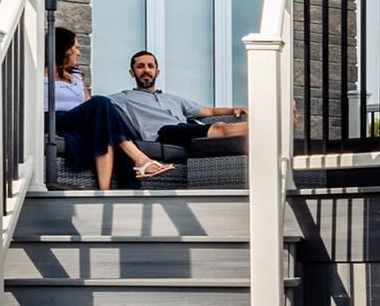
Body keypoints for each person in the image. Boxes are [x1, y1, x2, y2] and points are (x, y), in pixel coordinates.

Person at [47, 29, 173, 187]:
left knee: (104, 126)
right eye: (76, 48)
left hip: (78, 121)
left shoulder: (76, 75)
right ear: (64, 49)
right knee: (101, 102)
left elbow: (87, 102)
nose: (78, 53)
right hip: (54, 120)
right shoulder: (39, 74)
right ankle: (140, 159)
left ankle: (104, 191)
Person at [108, 50, 248, 153]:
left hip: (186, 128)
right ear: (132, 73)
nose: (146, 70)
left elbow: (210, 111)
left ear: (157, 72)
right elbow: (94, 104)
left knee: (223, 131)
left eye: (150, 66)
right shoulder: (124, 97)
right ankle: (265, 127)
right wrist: (84, 83)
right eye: (140, 66)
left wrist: (233, 110)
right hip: (163, 133)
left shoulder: (173, 99)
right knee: (220, 128)